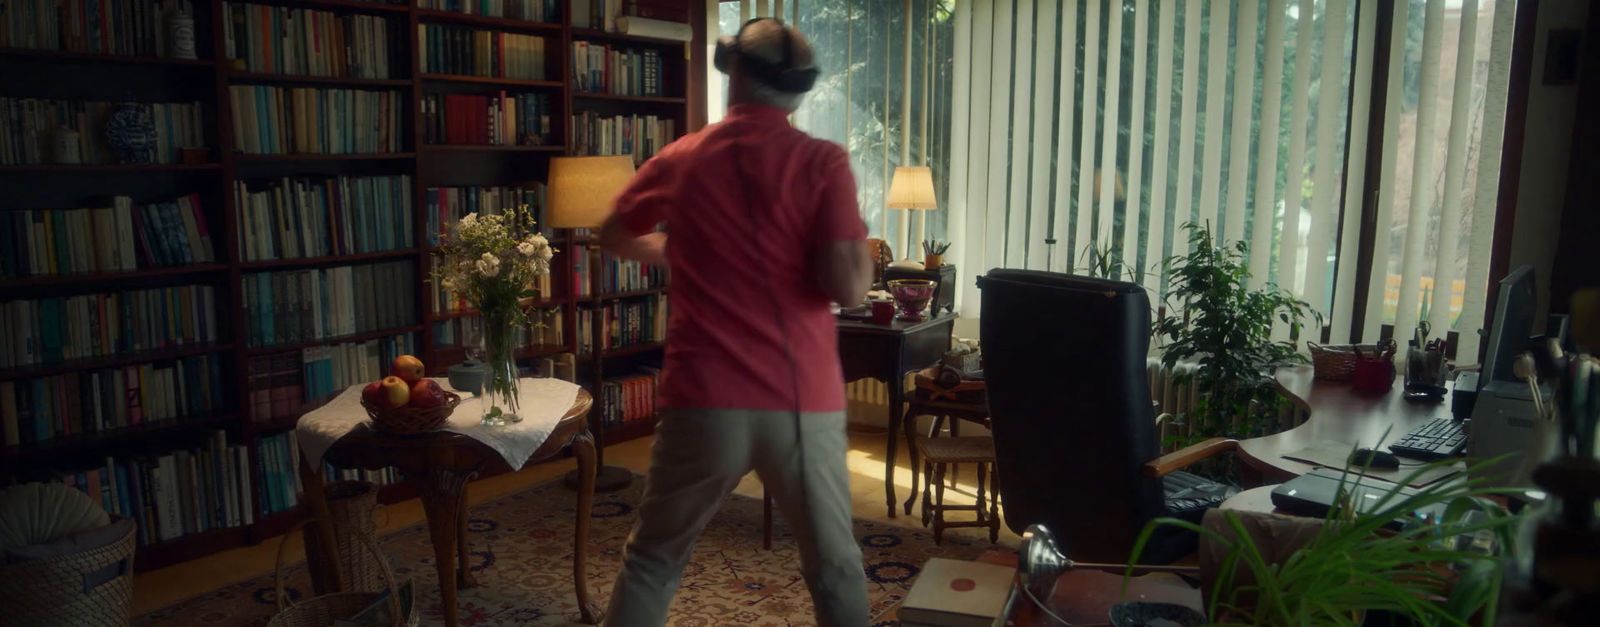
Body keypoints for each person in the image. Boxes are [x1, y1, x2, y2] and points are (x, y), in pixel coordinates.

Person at [597, 17, 873, 627]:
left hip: (703, 397)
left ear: (734, 74)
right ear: (799, 89)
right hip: (799, 399)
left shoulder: (683, 156)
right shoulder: (822, 162)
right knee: (833, 566)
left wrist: (675, 248)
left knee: (653, 560)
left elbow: (614, 233)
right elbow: (849, 288)